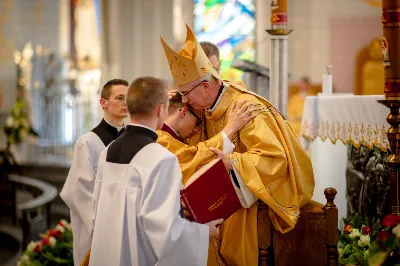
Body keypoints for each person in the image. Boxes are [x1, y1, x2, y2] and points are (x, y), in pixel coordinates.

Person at [161, 24, 315, 265]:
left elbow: (274, 159)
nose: (184, 100)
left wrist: (232, 162)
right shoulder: (202, 108)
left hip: (246, 204)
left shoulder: (245, 108)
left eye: (186, 93)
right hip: (214, 201)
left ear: (205, 85)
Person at [88, 76, 223, 266]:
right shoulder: (161, 159)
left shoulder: (108, 151)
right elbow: (166, 231)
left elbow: (95, 212)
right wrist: (203, 234)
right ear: (161, 110)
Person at [60, 79, 129, 266]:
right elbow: (78, 191)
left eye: (128, 98)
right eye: (120, 98)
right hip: (99, 228)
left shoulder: (132, 141)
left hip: (127, 225)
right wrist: (105, 221)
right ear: (103, 102)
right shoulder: (88, 143)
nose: (125, 103)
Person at [158, 93, 259, 183]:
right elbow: (194, 160)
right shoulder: (159, 137)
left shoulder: (173, 137)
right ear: (184, 112)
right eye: (197, 123)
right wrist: (230, 128)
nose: (197, 130)